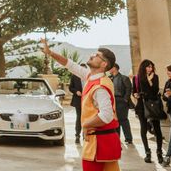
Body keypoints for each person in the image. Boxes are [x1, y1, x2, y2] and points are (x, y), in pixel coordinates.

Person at [41, 39, 121, 171]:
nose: (92, 55)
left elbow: (106, 115)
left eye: (96, 55)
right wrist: (50, 53)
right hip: (102, 141)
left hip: (99, 143)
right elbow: (70, 65)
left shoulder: (100, 87)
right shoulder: (91, 77)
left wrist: (85, 124)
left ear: (103, 64)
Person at [133, 59, 164, 163]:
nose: (150, 68)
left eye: (151, 67)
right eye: (148, 66)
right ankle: (147, 152)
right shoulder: (136, 78)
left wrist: (150, 81)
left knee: (157, 129)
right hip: (141, 106)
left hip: (152, 105)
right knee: (143, 129)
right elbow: (134, 91)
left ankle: (159, 152)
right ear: (143, 67)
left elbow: (154, 91)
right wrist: (135, 95)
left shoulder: (155, 77)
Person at [109, 64, 133, 144]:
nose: (109, 69)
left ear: (115, 68)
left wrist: (125, 99)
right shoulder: (110, 78)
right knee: (116, 119)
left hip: (121, 100)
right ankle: (117, 137)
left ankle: (128, 138)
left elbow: (129, 88)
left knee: (123, 120)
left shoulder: (124, 78)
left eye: (110, 67)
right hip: (113, 101)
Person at [70, 64, 86, 144]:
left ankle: (85, 135)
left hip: (87, 100)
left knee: (87, 118)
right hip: (78, 100)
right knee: (79, 117)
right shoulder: (74, 76)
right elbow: (70, 87)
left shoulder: (89, 77)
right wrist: (76, 91)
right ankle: (77, 135)